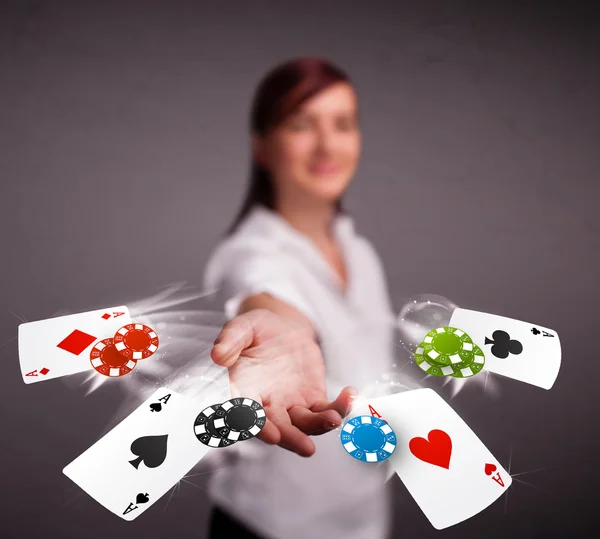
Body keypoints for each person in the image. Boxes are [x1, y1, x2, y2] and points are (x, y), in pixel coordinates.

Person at [203, 57, 402, 539]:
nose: (327, 144)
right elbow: (263, 293)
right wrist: (278, 325)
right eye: (301, 124)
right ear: (263, 148)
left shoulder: (361, 252)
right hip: (270, 525)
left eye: (343, 124)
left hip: (364, 519)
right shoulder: (249, 252)